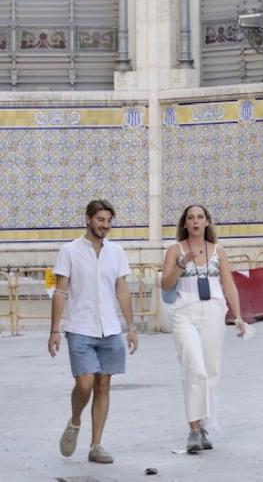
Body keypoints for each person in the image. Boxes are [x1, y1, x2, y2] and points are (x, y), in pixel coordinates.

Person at [48, 199, 139, 465]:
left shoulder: (117, 252)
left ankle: (96, 445)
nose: (105, 226)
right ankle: (75, 421)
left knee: (103, 385)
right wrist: (54, 330)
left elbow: (122, 289)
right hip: (80, 328)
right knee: (85, 384)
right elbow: (61, 290)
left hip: (110, 329)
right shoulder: (70, 251)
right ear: (88, 219)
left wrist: (131, 327)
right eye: (101, 220)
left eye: (109, 221)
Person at [159, 204, 247, 454]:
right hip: (184, 313)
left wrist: (238, 316)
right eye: (190, 218)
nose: (195, 221)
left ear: (207, 222)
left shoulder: (218, 250)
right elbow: (165, 283)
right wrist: (180, 264)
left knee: (211, 371)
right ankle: (194, 430)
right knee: (194, 368)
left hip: (213, 313)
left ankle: (204, 425)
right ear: (184, 224)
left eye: (200, 217)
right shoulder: (174, 249)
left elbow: (228, 284)